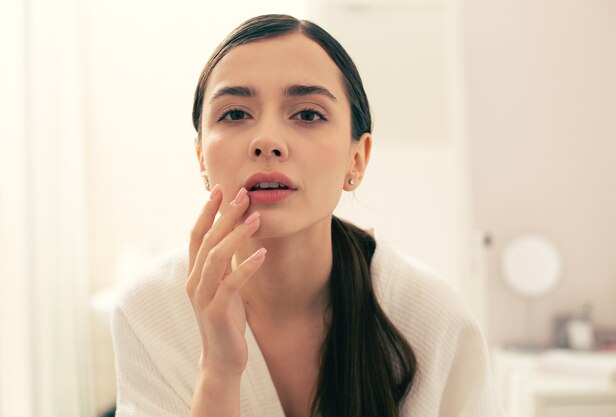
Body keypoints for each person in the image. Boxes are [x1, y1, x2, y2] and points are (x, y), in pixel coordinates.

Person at [111, 14, 501, 417]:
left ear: (357, 158)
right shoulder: (149, 312)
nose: (267, 142)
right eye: (235, 114)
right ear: (201, 159)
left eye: (308, 114)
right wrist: (218, 373)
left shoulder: (429, 317)